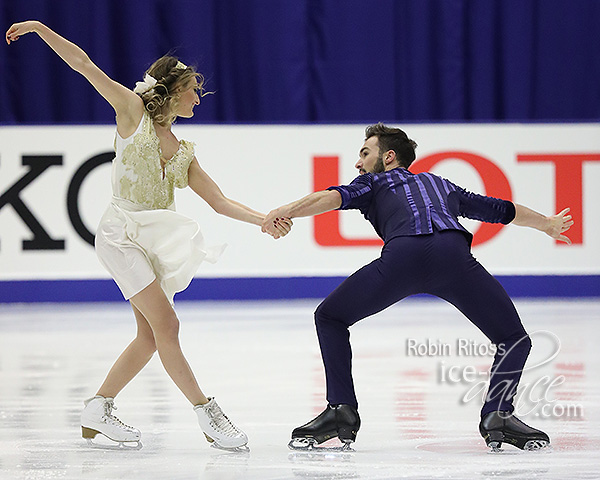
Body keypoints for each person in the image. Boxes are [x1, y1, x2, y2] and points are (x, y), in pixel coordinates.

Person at [6, 20, 291, 451]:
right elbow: (83, 64)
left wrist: (264, 219)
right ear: (173, 91)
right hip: (120, 233)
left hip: (151, 241)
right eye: (193, 88)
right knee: (168, 325)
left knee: (149, 336)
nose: (199, 96)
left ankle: (97, 409)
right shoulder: (132, 113)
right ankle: (207, 413)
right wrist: (39, 27)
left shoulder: (183, 149)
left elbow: (220, 201)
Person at [263, 123, 573, 452]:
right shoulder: (441, 184)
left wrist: (285, 211)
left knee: (330, 317)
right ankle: (497, 413)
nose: (359, 163)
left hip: (403, 259)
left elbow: (332, 198)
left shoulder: (372, 182)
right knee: (513, 338)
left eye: (365, 154)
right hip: (453, 259)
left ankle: (341, 412)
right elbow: (500, 209)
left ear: (390, 156)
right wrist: (547, 224)